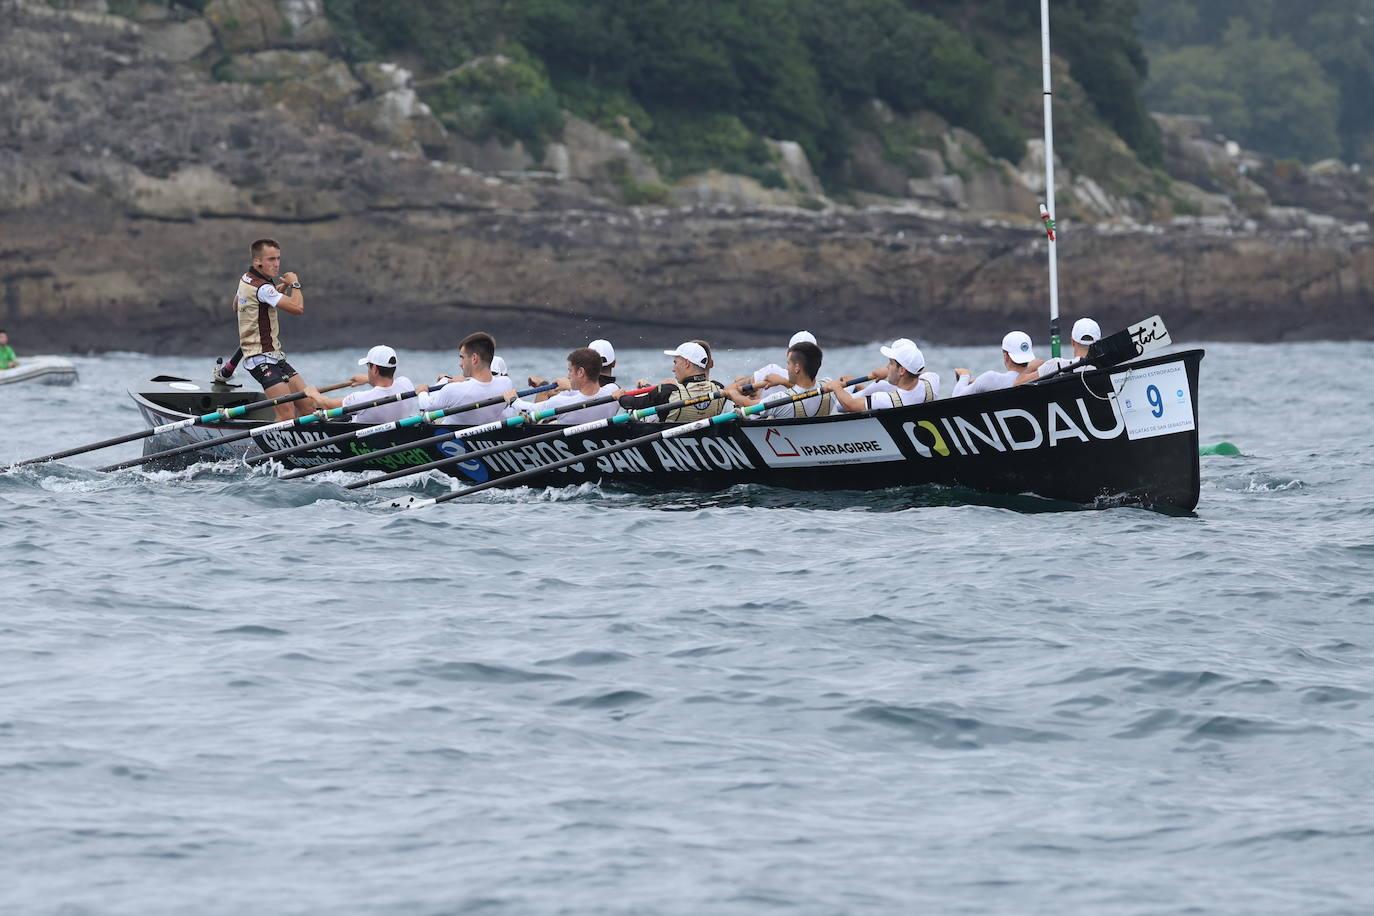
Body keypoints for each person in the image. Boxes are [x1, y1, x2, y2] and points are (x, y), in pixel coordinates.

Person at [234, 238, 309, 420]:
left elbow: (236, 305)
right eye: (271, 260)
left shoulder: (246, 279)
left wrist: (275, 292)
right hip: (260, 359)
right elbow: (298, 308)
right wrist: (294, 284)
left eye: (278, 259)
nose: (276, 264)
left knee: (308, 406)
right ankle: (277, 447)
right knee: (286, 414)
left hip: (275, 356)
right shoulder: (263, 288)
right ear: (257, 261)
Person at [414, 331, 513, 425]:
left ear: (474, 358)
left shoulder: (454, 390)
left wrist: (422, 391)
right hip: (491, 436)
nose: (460, 364)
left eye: (462, 357)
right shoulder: (506, 383)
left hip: (452, 438)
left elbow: (426, 406)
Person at [503, 347, 619, 423]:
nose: (568, 376)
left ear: (580, 372)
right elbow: (588, 395)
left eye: (570, 371)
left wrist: (513, 400)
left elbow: (529, 411)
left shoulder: (561, 403)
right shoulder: (613, 392)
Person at [616, 342, 726, 422]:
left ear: (687, 363)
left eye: (675, 362)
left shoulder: (668, 391)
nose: (673, 368)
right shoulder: (719, 389)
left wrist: (620, 397)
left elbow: (633, 404)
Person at [304, 346, 415, 423]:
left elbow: (326, 404)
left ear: (375, 369)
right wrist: (368, 379)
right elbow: (388, 385)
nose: (367, 370)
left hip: (361, 440)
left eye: (368, 366)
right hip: (395, 436)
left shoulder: (361, 399)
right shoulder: (406, 384)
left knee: (320, 409)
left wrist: (313, 393)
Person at [724, 340, 835, 418]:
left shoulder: (781, 401)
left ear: (797, 368)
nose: (787, 368)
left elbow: (748, 404)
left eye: (788, 364)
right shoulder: (830, 387)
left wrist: (733, 394)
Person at [827, 339, 939, 412]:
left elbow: (849, 405)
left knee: (877, 386)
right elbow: (917, 370)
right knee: (880, 385)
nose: (887, 366)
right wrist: (887, 371)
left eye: (890, 363)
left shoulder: (885, 400)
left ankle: (853, 388)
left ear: (901, 371)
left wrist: (836, 386)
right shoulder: (932, 381)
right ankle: (859, 388)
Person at [952, 331, 1036, 397]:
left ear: (1005, 356)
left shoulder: (991, 379)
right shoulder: (1041, 376)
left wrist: (964, 375)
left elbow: (956, 397)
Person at [1017, 317, 1100, 384]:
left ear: (1072, 342)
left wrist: (1030, 367)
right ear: (1098, 343)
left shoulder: (1054, 365)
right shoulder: (1106, 366)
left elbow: (1017, 385)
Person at [737, 330, 817, 387]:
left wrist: (782, 381)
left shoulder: (773, 371)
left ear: (788, 354)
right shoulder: (823, 386)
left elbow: (802, 390)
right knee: (740, 379)